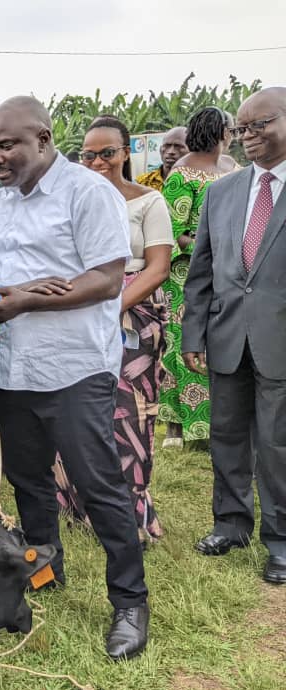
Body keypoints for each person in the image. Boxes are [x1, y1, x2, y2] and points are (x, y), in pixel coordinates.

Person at [0, 96, 150, 660]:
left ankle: (129, 602)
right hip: (14, 368)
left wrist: (28, 301)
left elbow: (106, 278)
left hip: (75, 369)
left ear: (43, 139)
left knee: (97, 486)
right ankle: (45, 573)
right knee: (28, 482)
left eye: (7, 144)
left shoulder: (86, 193)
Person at [182, 87, 286, 585]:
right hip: (226, 337)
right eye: (242, 128)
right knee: (226, 437)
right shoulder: (220, 192)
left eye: (260, 125)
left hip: (280, 342)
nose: (248, 136)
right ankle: (231, 523)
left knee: (277, 442)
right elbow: (200, 271)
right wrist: (192, 334)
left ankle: (281, 540)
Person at [53, 116, 173, 544]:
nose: (98, 162)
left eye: (107, 153)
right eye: (89, 155)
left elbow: (158, 267)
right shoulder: (72, 202)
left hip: (132, 315)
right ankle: (76, 505)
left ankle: (132, 513)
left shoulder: (148, 202)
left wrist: (111, 308)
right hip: (79, 310)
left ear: (126, 153)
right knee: (78, 408)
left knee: (129, 412)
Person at [159, 107, 235, 448]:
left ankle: (217, 423)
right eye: (232, 129)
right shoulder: (182, 172)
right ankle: (182, 427)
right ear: (220, 132)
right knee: (185, 347)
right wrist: (214, 247)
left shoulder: (233, 168)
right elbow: (172, 231)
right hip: (187, 275)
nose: (234, 135)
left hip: (231, 273)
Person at [136, 126, 189, 191]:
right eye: (167, 146)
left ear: (191, 150)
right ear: (160, 149)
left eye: (178, 146)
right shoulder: (142, 182)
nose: (171, 151)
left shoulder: (197, 184)